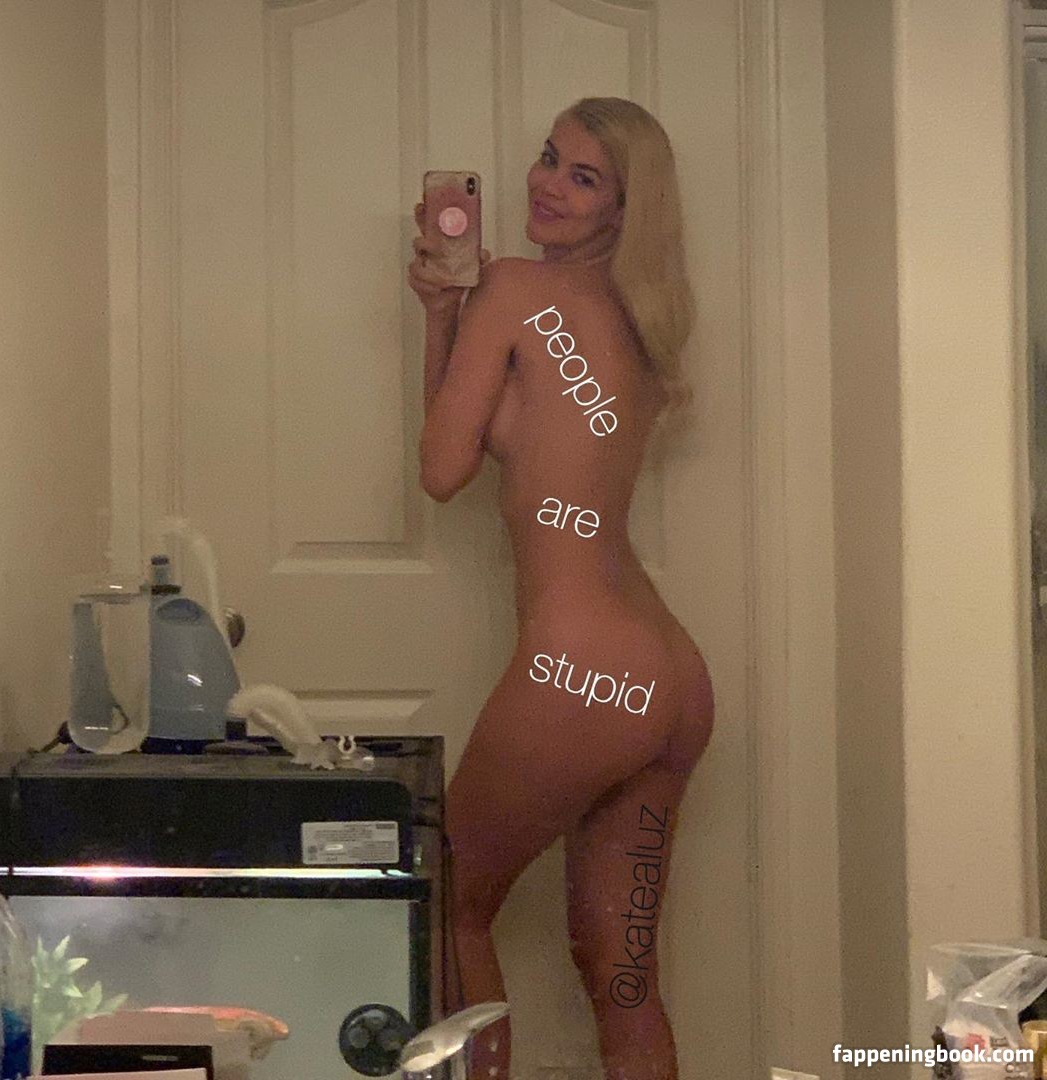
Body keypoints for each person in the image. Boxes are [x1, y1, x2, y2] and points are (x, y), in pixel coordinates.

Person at [407, 97, 714, 1080]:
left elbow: (443, 469)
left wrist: (453, 310)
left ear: (623, 209)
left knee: (443, 902)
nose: (547, 184)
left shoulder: (516, 289)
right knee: (622, 980)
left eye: (583, 178)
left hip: (582, 674)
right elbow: (508, 436)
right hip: (669, 681)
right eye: (549, 159)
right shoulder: (637, 323)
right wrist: (449, 317)